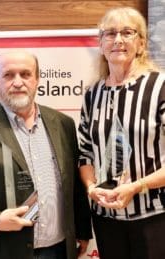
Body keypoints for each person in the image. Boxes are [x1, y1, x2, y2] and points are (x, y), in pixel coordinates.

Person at [0, 50, 92, 259]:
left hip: (57, 249)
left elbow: (73, 182)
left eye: (25, 74)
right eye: (8, 75)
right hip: (2, 250)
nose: (18, 82)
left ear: (37, 79)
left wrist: (82, 229)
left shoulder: (63, 124)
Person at [78, 6, 165, 259]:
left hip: (154, 217)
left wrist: (137, 186)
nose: (118, 40)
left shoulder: (159, 87)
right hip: (106, 219)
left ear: (140, 43)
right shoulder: (92, 94)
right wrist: (92, 187)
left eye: (127, 32)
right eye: (110, 33)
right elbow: (84, 154)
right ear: (101, 44)